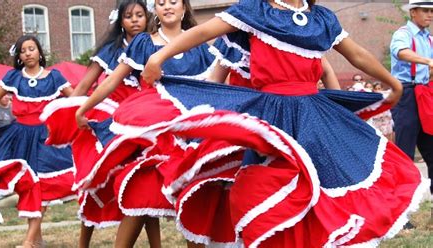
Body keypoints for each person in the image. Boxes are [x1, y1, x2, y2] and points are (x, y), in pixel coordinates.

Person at [83, 0, 426, 247]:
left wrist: (390, 81)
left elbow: (357, 54)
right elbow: (203, 31)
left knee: (326, 186)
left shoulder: (320, 18)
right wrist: (158, 56)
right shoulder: (254, 11)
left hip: (314, 115)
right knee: (266, 187)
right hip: (272, 115)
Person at [69, 0, 216, 247]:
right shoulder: (143, 43)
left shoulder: (198, 46)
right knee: (140, 196)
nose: (167, 6)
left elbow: (214, 87)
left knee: (193, 202)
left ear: (184, 8)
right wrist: (83, 107)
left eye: (173, 2)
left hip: (190, 133)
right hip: (153, 136)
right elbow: (112, 79)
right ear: (155, 11)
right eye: (161, 3)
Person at [0, 35, 76, 247]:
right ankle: (37, 239)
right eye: (23, 50)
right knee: (27, 187)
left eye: (31, 48)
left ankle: (29, 242)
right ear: (19, 56)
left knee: (40, 187)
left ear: (39, 52)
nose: (27, 53)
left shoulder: (54, 77)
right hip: (19, 138)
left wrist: (84, 119)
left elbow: (76, 98)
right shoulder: (13, 77)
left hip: (45, 138)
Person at [69, 1, 155, 248]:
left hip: (143, 125)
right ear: (120, 21)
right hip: (109, 125)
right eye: (129, 16)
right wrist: (66, 115)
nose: (135, 20)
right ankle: (83, 243)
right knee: (95, 185)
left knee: (143, 186)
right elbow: (84, 86)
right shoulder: (110, 50)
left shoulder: (153, 46)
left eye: (140, 15)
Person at [390, 0, 433, 201]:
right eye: (425, 10)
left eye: (432, 11)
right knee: (404, 154)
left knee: (432, 149)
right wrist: (427, 61)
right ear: (413, 12)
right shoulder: (403, 34)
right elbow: (400, 51)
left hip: (425, 95)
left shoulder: (429, 39)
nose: (430, 15)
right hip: (406, 95)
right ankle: (401, 208)